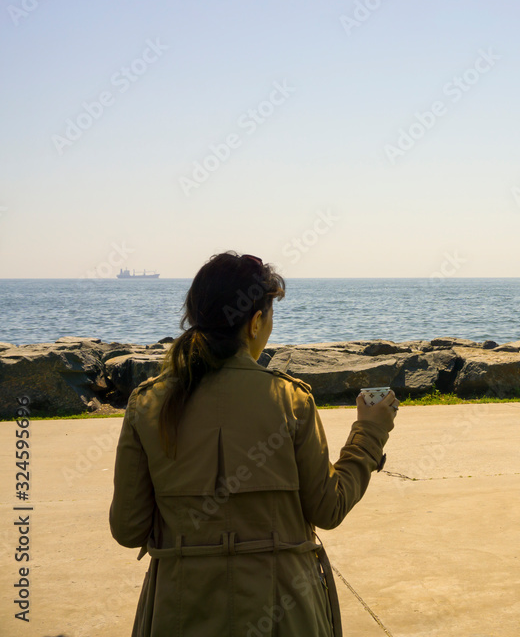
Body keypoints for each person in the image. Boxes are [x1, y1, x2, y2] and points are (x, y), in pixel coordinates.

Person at [109, 251, 399, 637]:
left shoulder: (147, 403)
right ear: (256, 321)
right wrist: (369, 433)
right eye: (270, 317)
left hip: (178, 613)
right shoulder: (290, 399)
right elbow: (328, 509)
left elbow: (128, 529)